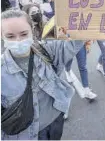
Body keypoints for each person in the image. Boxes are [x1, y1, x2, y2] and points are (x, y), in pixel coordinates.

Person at [1, 9, 84, 140]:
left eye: (23, 34)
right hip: (26, 135)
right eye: (10, 36)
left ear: (32, 31)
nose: (18, 40)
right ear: (2, 36)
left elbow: (73, 44)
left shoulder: (45, 50)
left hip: (55, 121)